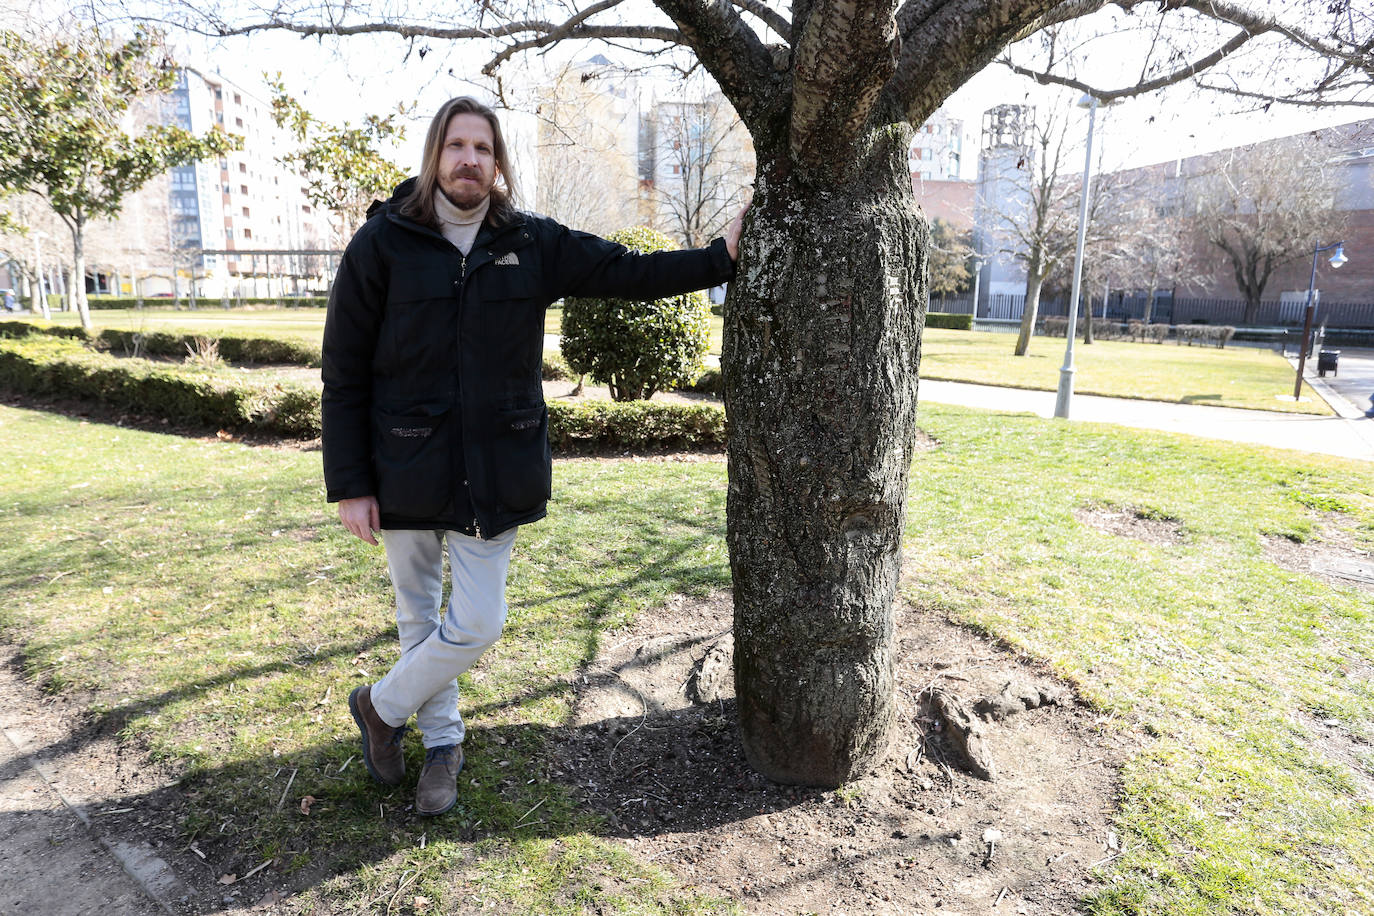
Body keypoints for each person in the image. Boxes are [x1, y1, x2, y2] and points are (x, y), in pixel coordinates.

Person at [322, 96, 741, 816]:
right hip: (405, 465)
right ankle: (443, 746)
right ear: (435, 156)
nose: (469, 160)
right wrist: (350, 484)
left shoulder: (531, 242)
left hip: (496, 469)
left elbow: (624, 272)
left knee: (478, 622)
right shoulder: (381, 244)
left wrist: (718, 259)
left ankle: (381, 708)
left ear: (498, 163)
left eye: (483, 148)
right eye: (456, 146)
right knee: (419, 619)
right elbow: (344, 368)